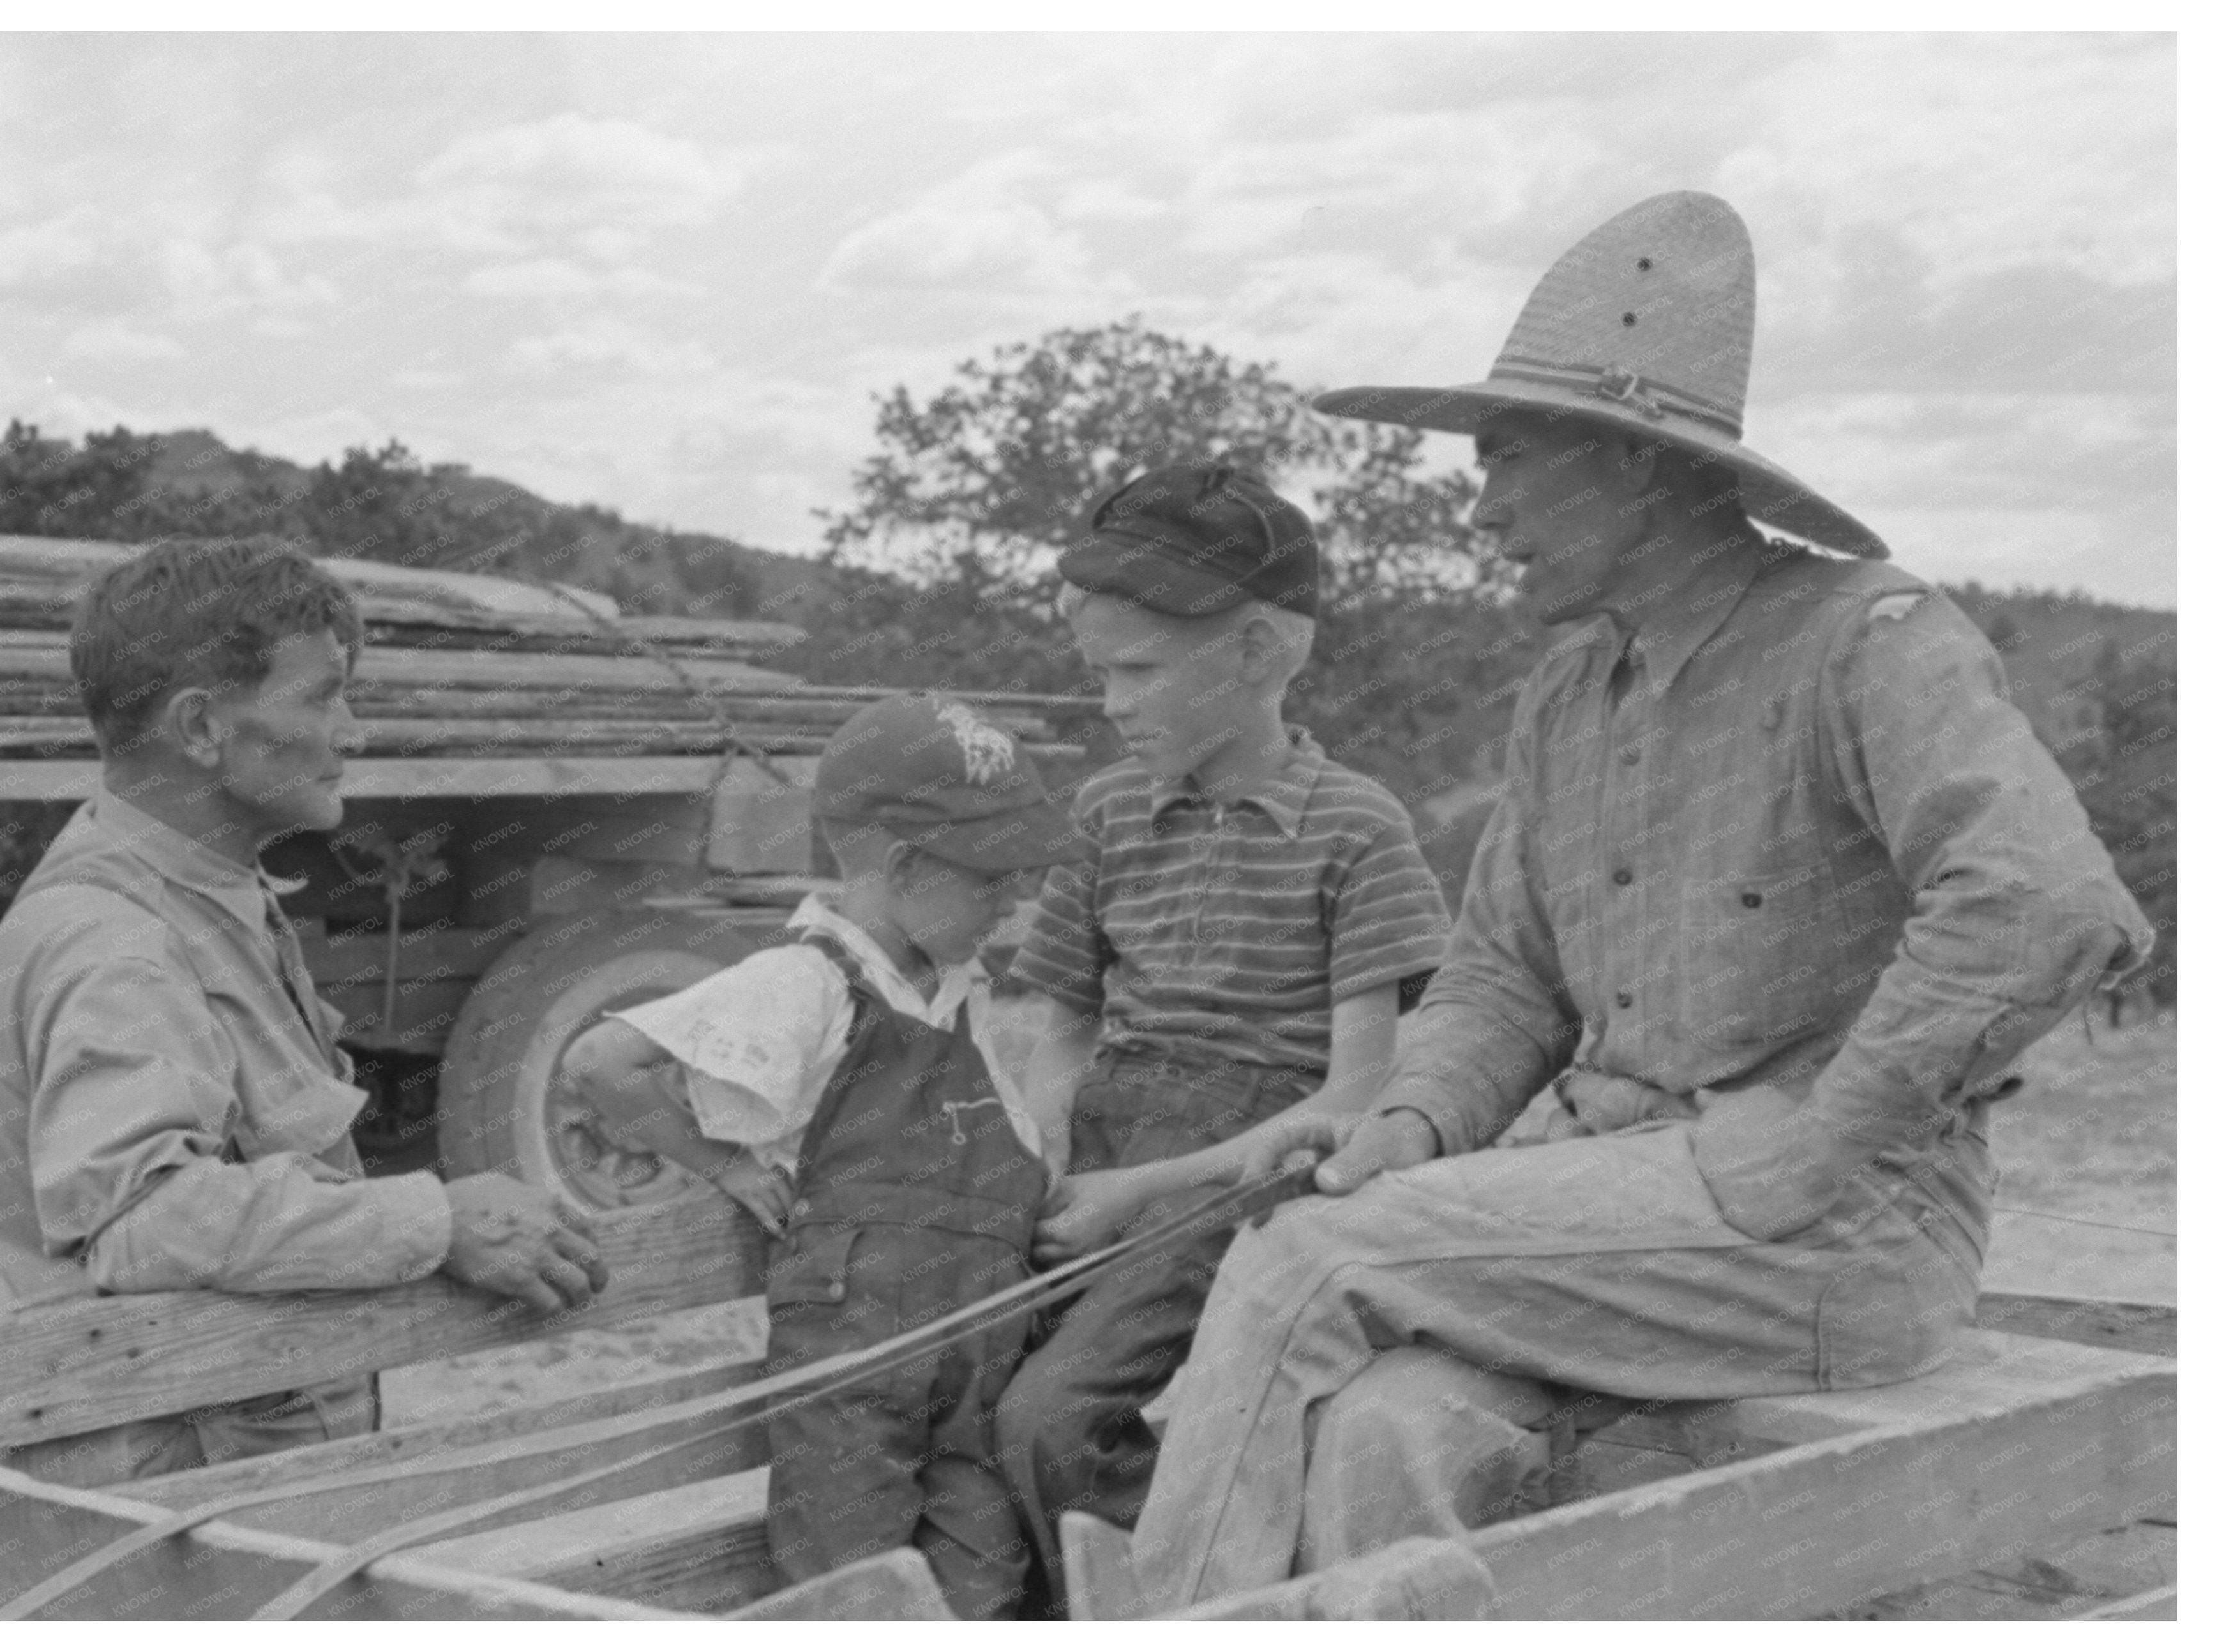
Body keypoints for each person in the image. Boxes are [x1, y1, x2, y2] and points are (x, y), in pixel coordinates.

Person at [1127, 191, 2156, 1607]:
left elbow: (2046, 904)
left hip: (1833, 1242)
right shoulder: (1568, 693)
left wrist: (1818, 1146)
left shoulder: (1866, 640)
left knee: (1301, 1263)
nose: (1477, 510)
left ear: (1634, 469)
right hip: (1622, 1217)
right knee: (1377, 1430)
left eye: (1504, 465)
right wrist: (1404, 1127)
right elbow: (1501, 977)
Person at [0, 537, 607, 1488]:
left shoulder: (198, 893)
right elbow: (148, 1222)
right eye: (320, 696)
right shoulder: (119, 940)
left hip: (222, 1455)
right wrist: (433, 1221)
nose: (353, 733)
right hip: (166, 1507)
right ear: (200, 729)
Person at [988, 465, 1455, 1607]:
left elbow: (1356, 1094)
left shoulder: (1354, 826)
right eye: (1098, 673)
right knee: (951, 1387)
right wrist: (1049, 1128)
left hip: (1245, 1167)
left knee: (1051, 1420)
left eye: (1137, 671)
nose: (1110, 703)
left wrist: (1141, 1190)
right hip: (1103, 1145)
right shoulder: (1106, 812)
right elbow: (1066, 1022)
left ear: (1258, 655)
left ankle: (1214, 1602)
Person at [562, 692, 1089, 1619]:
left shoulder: (962, 998)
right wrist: (723, 1162)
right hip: (858, 1367)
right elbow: (604, 1063)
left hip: (981, 1363)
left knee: (986, 1588)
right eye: (994, 879)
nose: (1014, 906)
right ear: (906, 864)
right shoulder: (803, 983)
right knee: (845, 1589)